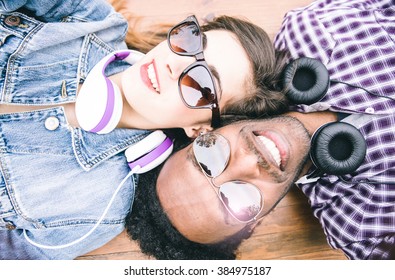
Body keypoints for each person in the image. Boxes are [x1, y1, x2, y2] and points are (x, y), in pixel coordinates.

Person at [0, 0, 289, 259]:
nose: (175, 63)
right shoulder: (90, 18)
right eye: (191, 40)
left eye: (201, 85)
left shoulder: (100, 207)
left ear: (199, 129)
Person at [125, 0, 395, 260]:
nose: (249, 161)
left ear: (201, 133)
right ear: (255, 223)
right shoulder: (360, 226)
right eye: (238, 202)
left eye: (209, 156)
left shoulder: (314, 32)